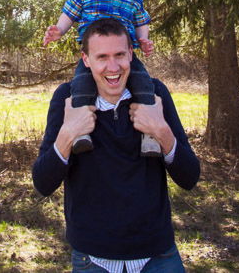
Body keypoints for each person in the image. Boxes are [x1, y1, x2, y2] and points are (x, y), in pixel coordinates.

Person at [33, 18, 200, 273]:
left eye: (120, 54)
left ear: (131, 54)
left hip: (158, 255)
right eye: (102, 57)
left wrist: (161, 131)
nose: (113, 67)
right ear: (86, 60)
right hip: (93, 258)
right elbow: (43, 183)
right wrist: (68, 134)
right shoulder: (68, 99)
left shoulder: (154, 95)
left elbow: (189, 177)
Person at [43, 0, 160, 156]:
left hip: (126, 56)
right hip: (93, 58)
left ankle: (149, 135)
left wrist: (144, 40)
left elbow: (141, 21)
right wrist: (59, 30)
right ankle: (81, 134)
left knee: (144, 84)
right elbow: (70, 13)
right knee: (80, 86)